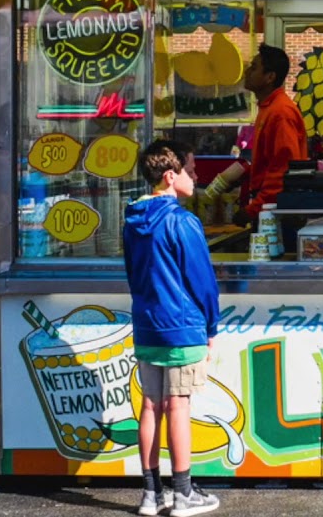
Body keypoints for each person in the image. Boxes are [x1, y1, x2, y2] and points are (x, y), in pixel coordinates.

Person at [122, 140, 222, 517]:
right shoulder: (183, 221)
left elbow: (133, 275)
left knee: (150, 405)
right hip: (182, 327)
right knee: (178, 406)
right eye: (190, 170)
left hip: (147, 324)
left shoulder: (133, 219)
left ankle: (151, 494)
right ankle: (183, 494)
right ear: (170, 176)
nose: (196, 177)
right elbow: (203, 282)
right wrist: (211, 326)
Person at [207, 45, 310, 226]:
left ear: (270, 77)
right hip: (269, 207)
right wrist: (244, 175)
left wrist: (253, 209)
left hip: (277, 212)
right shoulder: (268, 108)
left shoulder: (281, 112)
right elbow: (270, 161)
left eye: (254, 67)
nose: (247, 71)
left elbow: (283, 170)